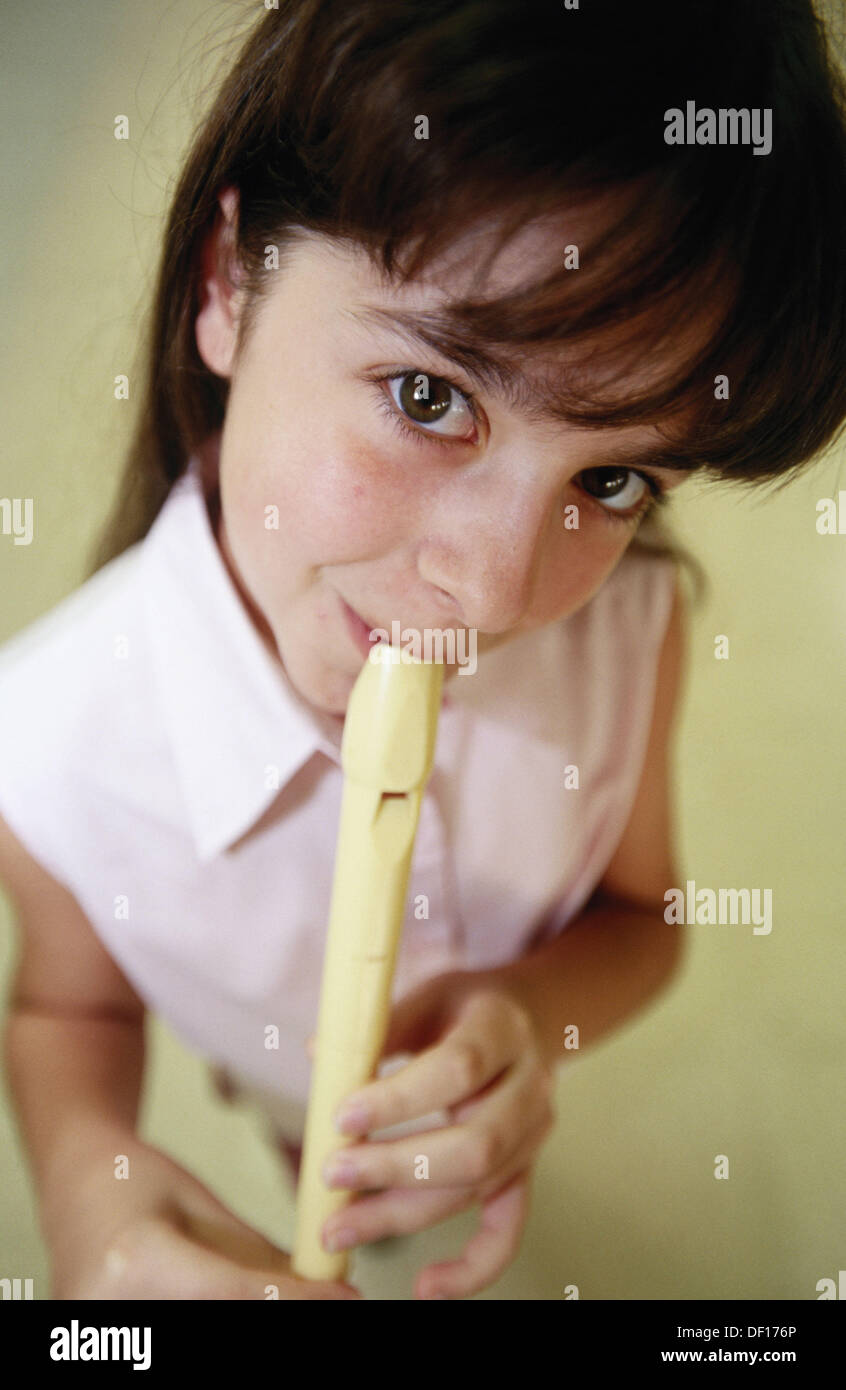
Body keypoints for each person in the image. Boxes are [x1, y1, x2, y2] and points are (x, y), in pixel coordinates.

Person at [1, 0, 845, 1302]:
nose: (496, 591)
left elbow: (643, 922)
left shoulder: (627, 631)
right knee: (319, 1158)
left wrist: (525, 1018)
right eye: (427, 396)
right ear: (231, 282)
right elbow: (68, 1010)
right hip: (278, 1069)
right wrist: (85, 1187)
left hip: (468, 1103)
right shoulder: (47, 749)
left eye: (612, 478)